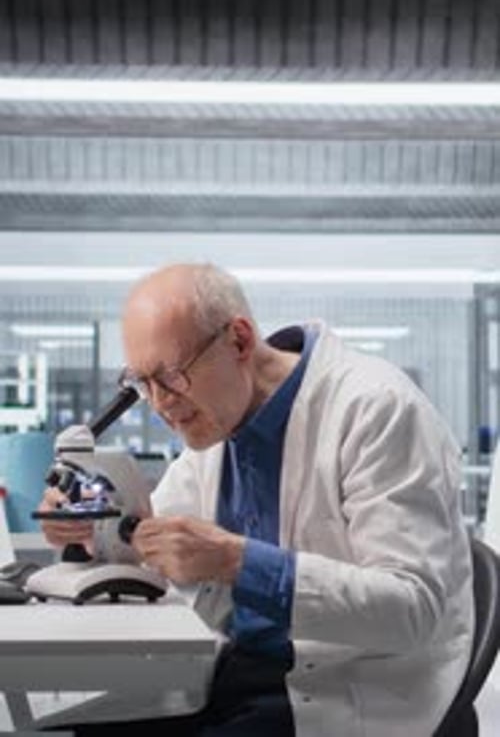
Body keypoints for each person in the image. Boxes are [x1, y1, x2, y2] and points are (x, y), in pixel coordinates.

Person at [40, 262, 474, 737]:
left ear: (240, 341)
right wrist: (87, 527)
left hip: (342, 690)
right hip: (234, 669)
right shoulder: (215, 428)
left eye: (171, 377)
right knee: (77, 729)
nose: (161, 405)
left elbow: (415, 609)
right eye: (144, 384)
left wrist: (239, 563)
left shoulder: (377, 409)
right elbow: (149, 548)